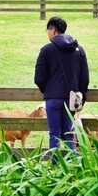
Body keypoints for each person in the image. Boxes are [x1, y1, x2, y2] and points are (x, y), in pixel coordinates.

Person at [34, 16, 89, 154]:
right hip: (71, 99)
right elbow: (84, 78)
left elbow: (39, 78)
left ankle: (54, 166)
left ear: (53, 30)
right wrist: (80, 96)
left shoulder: (46, 50)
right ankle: (75, 162)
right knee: (68, 133)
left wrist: (47, 90)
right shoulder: (79, 50)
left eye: (48, 29)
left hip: (53, 98)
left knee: (54, 134)